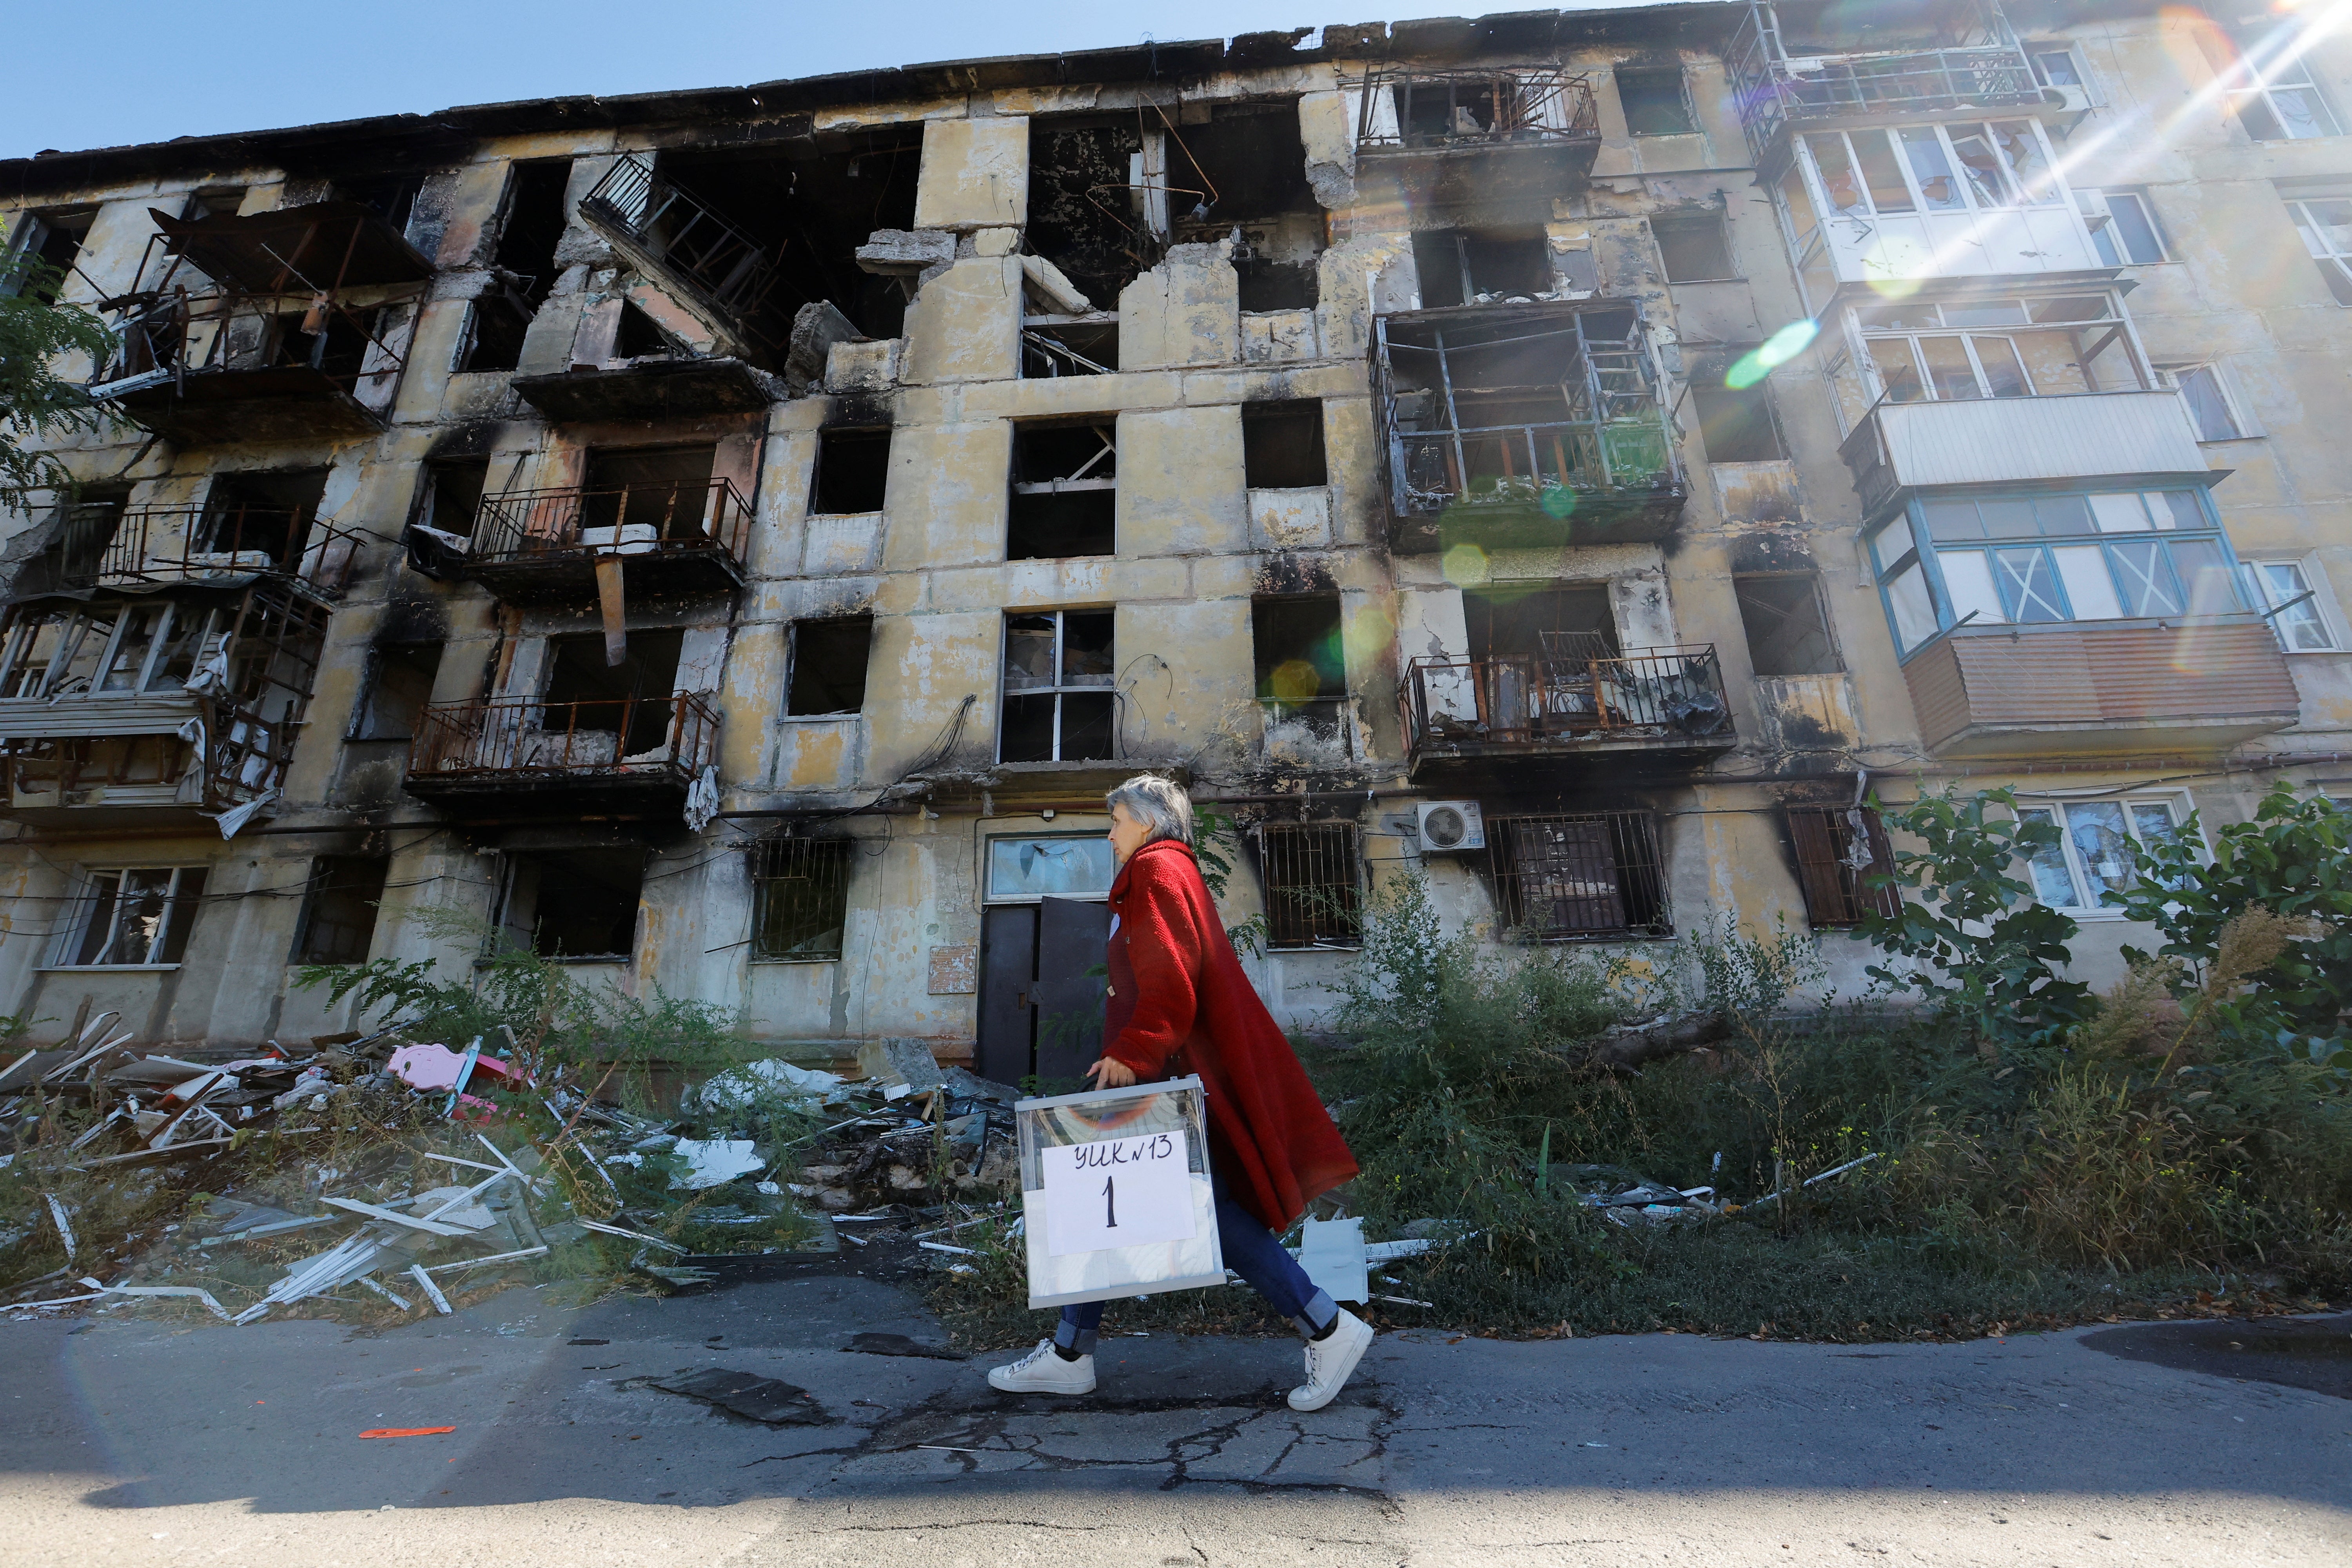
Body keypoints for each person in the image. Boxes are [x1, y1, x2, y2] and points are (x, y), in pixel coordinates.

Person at [988, 774, 1374, 1412]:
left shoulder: (1156, 869)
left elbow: (1171, 980)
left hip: (1161, 1071)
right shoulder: (1172, 869)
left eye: (1115, 821)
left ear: (1145, 821)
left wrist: (1131, 1054)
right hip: (1175, 1069)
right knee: (1104, 1201)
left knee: (1201, 1213)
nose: (1110, 836)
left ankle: (1329, 1328)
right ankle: (1069, 1354)